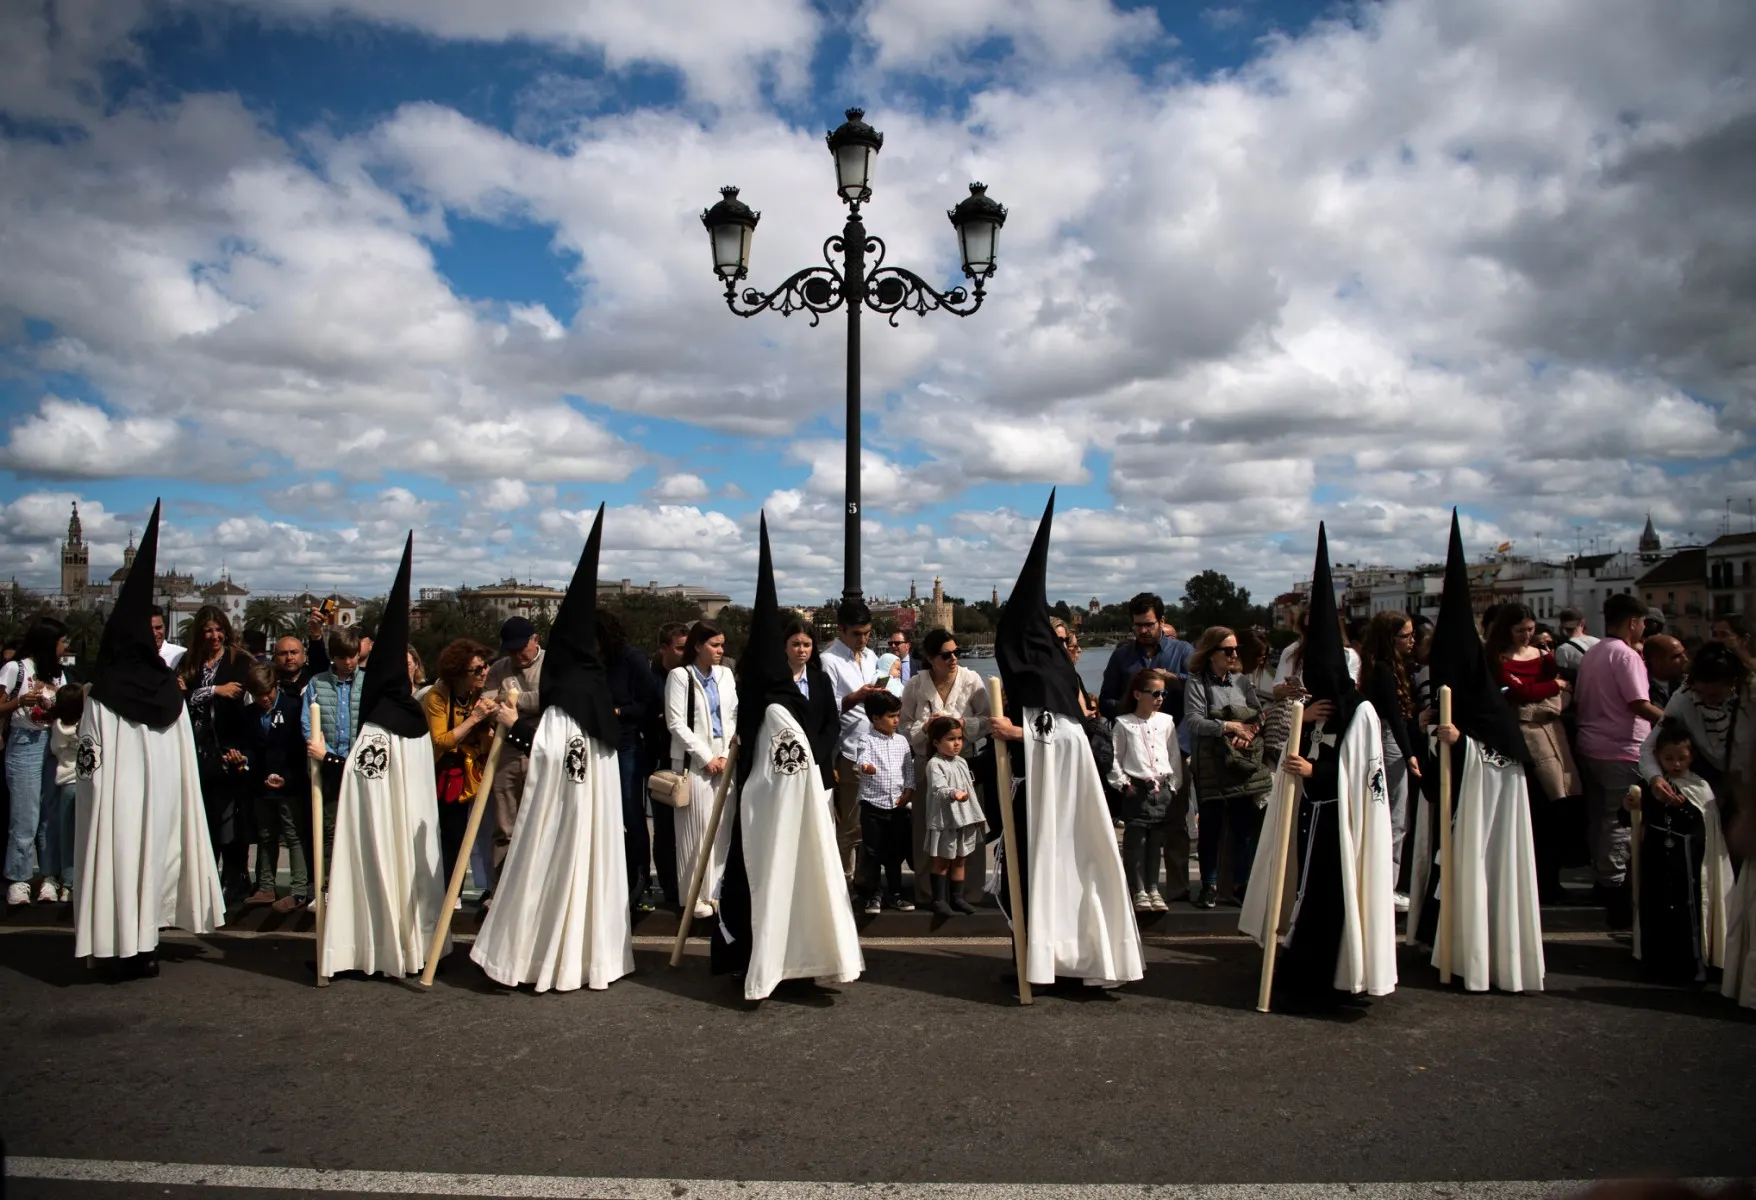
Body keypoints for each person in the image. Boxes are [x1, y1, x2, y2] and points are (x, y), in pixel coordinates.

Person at [473, 505, 633, 992]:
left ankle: (536, 952)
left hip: (561, 811)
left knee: (542, 862)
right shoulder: (597, 701)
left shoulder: (566, 702)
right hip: (579, 810)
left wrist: (511, 725)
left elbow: (549, 756)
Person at [1242, 523, 1395, 1011]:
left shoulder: (1362, 713)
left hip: (1340, 822)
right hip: (1311, 818)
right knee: (1305, 895)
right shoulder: (1320, 707)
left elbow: (1364, 773)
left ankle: (1329, 979)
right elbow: (1287, 737)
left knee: (1330, 898)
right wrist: (1302, 721)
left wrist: (1317, 773)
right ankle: (1298, 975)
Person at [710, 515, 863, 1001]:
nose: (802, 648)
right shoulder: (764, 698)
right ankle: (749, 955)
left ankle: (801, 957)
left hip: (806, 790)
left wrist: (818, 764)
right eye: (793, 643)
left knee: (803, 874)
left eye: (806, 643)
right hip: (765, 801)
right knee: (753, 874)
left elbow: (824, 725)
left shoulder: (810, 684)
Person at [994, 492, 1143, 990]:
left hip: (1049, 799)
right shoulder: (1050, 674)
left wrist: (1017, 733)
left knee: (1057, 872)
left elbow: (1063, 736)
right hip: (1042, 791)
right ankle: (1046, 956)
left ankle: (1058, 960)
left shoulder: (1041, 679)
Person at [74, 501, 225, 977]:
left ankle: (117, 947)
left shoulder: (103, 695)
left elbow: (89, 762)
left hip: (115, 808)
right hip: (159, 807)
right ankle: (144, 946)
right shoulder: (167, 691)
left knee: (116, 865)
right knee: (150, 863)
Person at [1407, 513, 1544, 994]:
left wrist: (1461, 742)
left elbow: (1499, 760)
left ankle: (1481, 952)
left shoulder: (1485, 703)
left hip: (1484, 811)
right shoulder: (1456, 693)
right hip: (1457, 803)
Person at [318, 535, 447, 979]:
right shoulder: (413, 719)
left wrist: (326, 757)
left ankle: (378, 945)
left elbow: (362, 782)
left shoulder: (378, 725)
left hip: (384, 828)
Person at [900, 627, 1014, 908]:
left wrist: (964, 725)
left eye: (956, 653)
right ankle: (929, 893)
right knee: (929, 828)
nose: (953, 659)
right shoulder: (916, 684)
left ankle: (968, 893)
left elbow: (989, 720)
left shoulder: (971, 680)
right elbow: (902, 726)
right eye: (946, 655)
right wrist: (926, 727)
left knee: (969, 828)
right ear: (930, 658)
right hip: (928, 764)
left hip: (966, 764)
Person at [1575, 592, 1667, 928]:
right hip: (1622, 748)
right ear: (1633, 622)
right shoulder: (1626, 656)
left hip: (1591, 746)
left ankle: (1603, 881)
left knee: (1601, 818)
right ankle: (1615, 887)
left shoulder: (1593, 651)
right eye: (1642, 623)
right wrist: (1674, 721)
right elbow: (1638, 703)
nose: (1644, 629)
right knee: (1620, 822)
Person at [1487, 604, 1580, 905]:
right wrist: (1552, 686)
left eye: (1530, 629)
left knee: (1558, 807)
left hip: (1552, 737)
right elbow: (1522, 692)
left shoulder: (1543, 656)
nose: (1527, 636)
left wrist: (1546, 688)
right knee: (1534, 810)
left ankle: (1550, 879)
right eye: (1520, 631)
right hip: (1523, 741)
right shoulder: (1498, 659)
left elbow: (1551, 691)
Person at [1630, 721, 1732, 984]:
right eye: (1668, 758)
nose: (1675, 764)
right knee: (1657, 914)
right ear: (1658, 758)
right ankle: (1656, 965)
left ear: (1692, 757)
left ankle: (1691, 966)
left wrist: (1682, 807)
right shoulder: (1651, 784)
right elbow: (1632, 815)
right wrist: (1631, 803)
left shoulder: (1699, 787)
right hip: (1657, 864)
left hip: (1689, 869)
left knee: (1688, 919)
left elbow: (1704, 825)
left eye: (1681, 758)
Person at [1184, 629, 1272, 909]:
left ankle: (1239, 884)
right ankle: (1208, 885)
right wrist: (1227, 726)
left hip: (1241, 761)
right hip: (1211, 763)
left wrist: (1247, 731)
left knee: (1242, 827)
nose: (1235, 655)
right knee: (1210, 826)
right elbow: (1195, 721)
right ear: (1212, 654)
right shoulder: (1197, 683)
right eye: (1228, 650)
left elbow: (1259, 715)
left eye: (1236, 649)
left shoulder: (1243, 682)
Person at [179, 606, 256, 905]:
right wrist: (214, 691)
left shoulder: (240, 661)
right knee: (205, 819)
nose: (214, 636)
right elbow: (182, 697)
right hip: (196, 750)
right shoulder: (189, 662)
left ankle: (234, 879)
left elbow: (248, 696)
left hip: (230, 749)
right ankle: (205, 881)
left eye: (218, 629)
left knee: (231, 820)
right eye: (208, 630)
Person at [665, 621, 737, 920]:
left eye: (722, 645)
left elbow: (732, 714)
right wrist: (707, 756)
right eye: (714, 645)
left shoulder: (725, 674)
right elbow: (676, 722)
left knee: (721, 828)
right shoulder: (680, 676)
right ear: (698, 646)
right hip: (694, 761)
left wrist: (724, 754)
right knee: (695, 831)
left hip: (724, 756)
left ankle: (716, 893)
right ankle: (694, 896)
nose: (720, 651)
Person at [424, 639, 499, 901]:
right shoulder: (437, 696)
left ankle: (491, 887)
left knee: (489, 832)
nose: (483, 673)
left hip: (480, 769)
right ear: (457, 673)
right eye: (476, 670)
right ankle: (446, 892)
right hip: (449, 773)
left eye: (485, 667)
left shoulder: (483, 693)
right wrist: (474, 719)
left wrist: (491, 720)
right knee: (451, 835)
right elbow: (441, 740)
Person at [1359, 611, 1423, 910]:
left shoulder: (1380, 666)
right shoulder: (1385, 670)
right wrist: (1409, 752)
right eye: (1406, 636)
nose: (1413, 641)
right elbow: (1395, 717)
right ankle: (1388, 885)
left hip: (1385, 739)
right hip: (1390, 742)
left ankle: (1384, 883)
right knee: (1396, 818)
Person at [3, 617, 69, 906]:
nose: (64, 647)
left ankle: (49, 877)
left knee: (50, 817)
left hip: (53, 744)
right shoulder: (15, 669)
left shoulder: (57, 674)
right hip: (24, 742)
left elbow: (68, 707)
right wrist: (21, 702)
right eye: (61, 641)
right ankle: (18, 878)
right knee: (25, 816)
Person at [599, 606, 660, 912]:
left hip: (626, 744)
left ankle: (640, 880)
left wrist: (619, 712)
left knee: (630, 812)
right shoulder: (592, 662)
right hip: (597, 744)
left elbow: (650, 702)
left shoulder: (632, 659)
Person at [1108, 667, 1185, 911]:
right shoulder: (1123, 724)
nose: (1160, 698)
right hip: (1136, 789)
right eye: (1154, 693)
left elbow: (1173, 755)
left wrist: (1172, 785)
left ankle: (1153, 888)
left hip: (1161, 787)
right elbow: (1114, 758)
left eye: (1163, 693)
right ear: (1138, 694)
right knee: (1136, 842)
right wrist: (1124, 784)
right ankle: (1138, 889)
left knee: (1156, 842)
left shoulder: (1166, 722)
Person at [822, 598, 881, 879]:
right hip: (849, 749)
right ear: (841, 630)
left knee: (873, 822)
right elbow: (824, 706)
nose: (863, 639)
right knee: (850, 822)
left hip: (876, 744)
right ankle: (843, 879)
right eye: (857, 634)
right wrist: (855, 697)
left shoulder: (871, 656)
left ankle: (865, 879)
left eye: (867, 633)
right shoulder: (828, 660)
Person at [484, 617, 543, 889]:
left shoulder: (551, 665)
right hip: (506, 752)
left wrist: (513, 699)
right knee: (504, 825)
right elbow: (488, 703)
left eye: (522, 648)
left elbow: (550, 699)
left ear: (535, 640)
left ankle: (535, 889)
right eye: (511, 650)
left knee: (539, 823)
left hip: (540, 751)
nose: (517, 656)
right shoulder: (499, 667)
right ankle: (500, 890)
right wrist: (511, 703)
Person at [238, 664, 301, 908]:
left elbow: (297, 751)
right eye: (258, 696)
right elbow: (251, 749)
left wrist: (288, 778)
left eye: (268, 694)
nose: (264, 700)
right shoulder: (250, 713)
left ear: (276, 687)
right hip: (262, 784)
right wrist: (243, 760)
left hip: (288, 785)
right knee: (266, 836)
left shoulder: (292, 708)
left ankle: (298, 888)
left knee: (293, 835)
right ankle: (265, 887)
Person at [851, 690, 916, 915]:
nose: (896, 721)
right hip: (873, 804)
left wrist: (909, 790)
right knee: (872, 851)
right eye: (890, 716)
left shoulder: (902, 742)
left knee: (895, 852)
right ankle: (873, 894)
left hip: (897, 805)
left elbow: (909, 768)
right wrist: (865, 766)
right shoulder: (866, 739)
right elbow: (862, 758)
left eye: (897, 715)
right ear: (875, 718)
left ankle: (896, 893)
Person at [646, 621, 691, 905]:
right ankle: (670, 889)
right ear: (664, 648)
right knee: (664, 828)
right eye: (680, 648)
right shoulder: (651, 676)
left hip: (688, 758)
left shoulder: (689, 673)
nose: (685, 654)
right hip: (660, 759)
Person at [922, 715, 985, 917]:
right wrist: (953, 793)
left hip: (963, 818)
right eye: (950, 739)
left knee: (960, 858)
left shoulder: (961, 762)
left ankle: (957, 897)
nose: (956, 743)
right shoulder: (935, 764)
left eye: (959, 738)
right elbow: (939, 788)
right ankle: (938, 899)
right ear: (936, 742)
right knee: (942, 860)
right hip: (945, 819)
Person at [1097, 593, 1193, 721]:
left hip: (1175, 735)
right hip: (1133, 734)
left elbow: (1200, 688)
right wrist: (1133, 712)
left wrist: (1169, 677)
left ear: (1161, 621)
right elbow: (1105, 701)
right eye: (1138, 625)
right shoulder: (1120, 656)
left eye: (1148, 625)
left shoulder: (1183, 651)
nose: (1142, 631)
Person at [41, 684, 84, 903]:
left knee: (66, 836)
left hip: (66, 783)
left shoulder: (58, 727)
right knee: (83, 837)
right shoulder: (87, 725)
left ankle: (67, 884)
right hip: (86, 784)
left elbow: (56, 749)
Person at [1644, 635, 1689, 710]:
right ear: (1656, 661)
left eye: (1684, 653)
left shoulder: (1689, 683)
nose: (1685, 660)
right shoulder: (1641, 685)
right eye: (1676, 656)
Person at [1554, 608, 1598, 682]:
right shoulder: (1598, 642)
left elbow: (1562, 678)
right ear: (1582, 623)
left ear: (1562, 625)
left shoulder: (1563, 649)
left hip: (1581, 690)